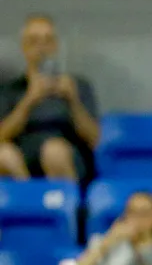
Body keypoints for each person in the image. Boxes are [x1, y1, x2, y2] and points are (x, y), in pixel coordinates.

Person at [0, 16, 99, 181]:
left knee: (53, 152)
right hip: (23, 158)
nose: (42, 48)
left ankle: (66, 203)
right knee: (3, 155)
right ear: (24, 47)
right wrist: (29, 101)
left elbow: (94, 139)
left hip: (66, 157)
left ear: (56, 46)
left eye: (48, 40)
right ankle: (29, 201)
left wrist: (73, 101)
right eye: (34, 41)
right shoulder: (10, 89)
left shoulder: (77, 85)